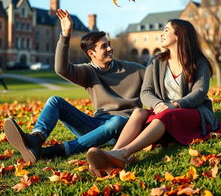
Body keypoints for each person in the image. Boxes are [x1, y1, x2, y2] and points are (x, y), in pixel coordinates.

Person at [4, 9, 145, 164]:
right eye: (104, 46)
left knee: (118, 121)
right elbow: (61, 69)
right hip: (96, 125)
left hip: (123, 128)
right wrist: (65, 35)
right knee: (54, 101)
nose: (110, 49)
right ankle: (36, 139)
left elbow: (156, 85)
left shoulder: (135, 69)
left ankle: (55, 151)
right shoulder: (88, 71)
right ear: (92, 53)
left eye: (109, 44)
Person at [86, 19, 220, 176]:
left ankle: (124, 153)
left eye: (166, 30)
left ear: (179, 36)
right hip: (163, 113)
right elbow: (146, 92)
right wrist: (157, 104)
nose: (161, 34)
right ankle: (112, 156)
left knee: (167, 114)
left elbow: (199, 93)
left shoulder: (199, 62)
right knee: (139, 112)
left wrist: (176, 104)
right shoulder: (156, 60)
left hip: (192, 112)